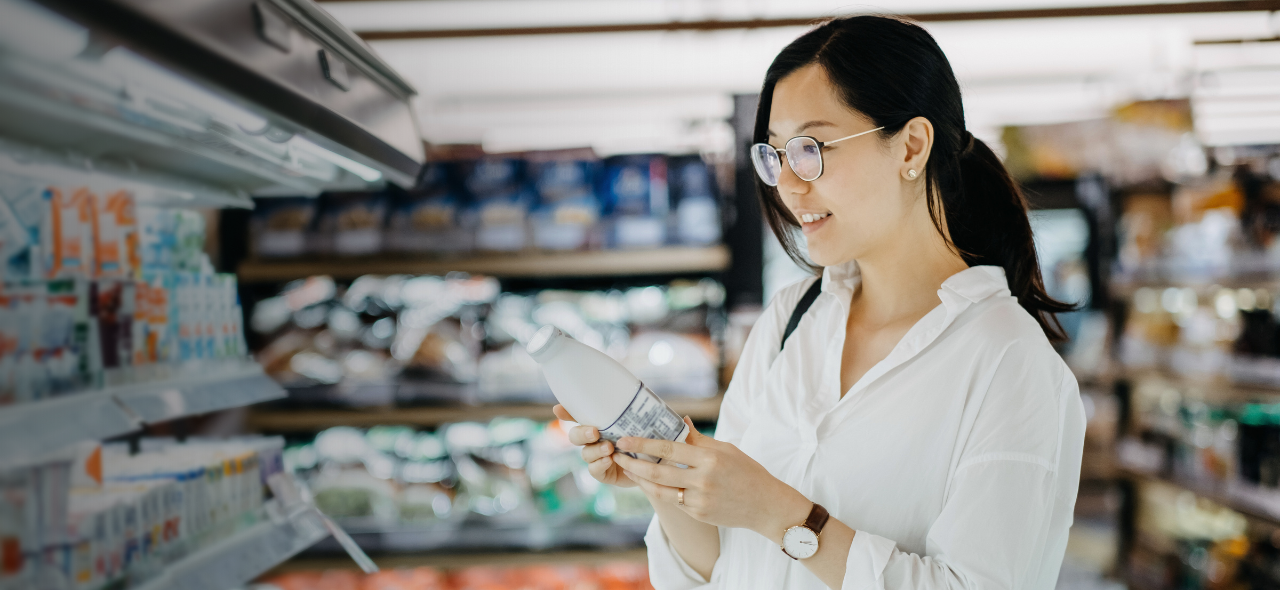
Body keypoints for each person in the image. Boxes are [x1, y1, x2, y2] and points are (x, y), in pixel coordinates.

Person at [553, 14, 1086, 589]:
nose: (787, 184)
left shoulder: (1010, 362)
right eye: (775, 155)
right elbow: (714, 572)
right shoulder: (791, 319)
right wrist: (667, 479)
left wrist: (781, 515)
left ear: (911, 145)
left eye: (810, 148)